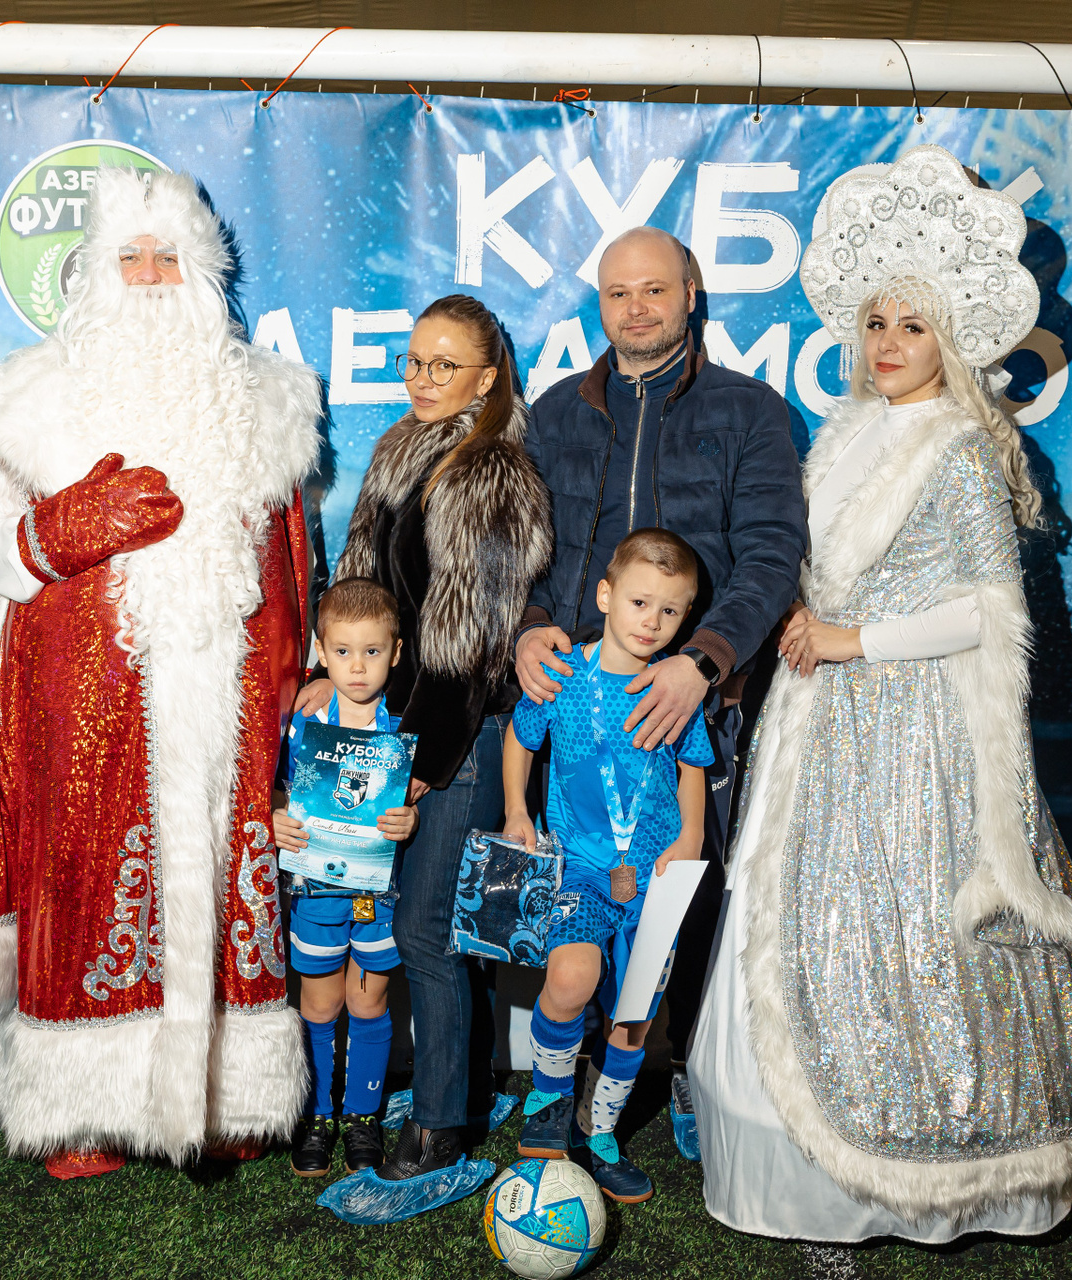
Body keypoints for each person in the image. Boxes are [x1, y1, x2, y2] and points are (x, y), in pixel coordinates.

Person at [689, 145, 1072, 1240]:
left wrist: (856, 638)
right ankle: (804, 1183)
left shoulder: (962, 451)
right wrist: (801, 622)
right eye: (878, 324)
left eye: (914, 327)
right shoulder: (845, 432)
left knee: (913, 946)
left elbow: (991, 611)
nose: (888, 344)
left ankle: (940, 1170)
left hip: (916, 733)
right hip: (817, 720)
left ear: (952, 342)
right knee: (793, 930)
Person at [0, 168, 321, 1178]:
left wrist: (296, 689)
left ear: (202, 273)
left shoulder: (270, 403)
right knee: (85, 887)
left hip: (228, 702)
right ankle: (82, 1108)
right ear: (93, 271)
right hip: (80, 704)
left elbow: (293, 565)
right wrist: (57, 532)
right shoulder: (30, 400)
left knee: (226, 886)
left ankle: (225, 1096)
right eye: (128, 256)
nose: (147, 275)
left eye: (166, 257)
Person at [515, 226, 806, 1154]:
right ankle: (560, 1087)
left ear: (691, 296)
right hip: (582, 706)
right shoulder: (555, 413)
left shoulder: (750, 410)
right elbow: (523, 550)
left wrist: (702, 660)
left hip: (697, 701)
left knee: (686, 900)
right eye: (617, 294)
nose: (636, 309)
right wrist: (531, 624)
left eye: (654, 290)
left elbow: (772, 554)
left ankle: (679, 1066)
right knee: (580, 905)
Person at [296, 294, 552, 1182]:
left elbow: (471, 648)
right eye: (414, 361)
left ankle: (442, 1124)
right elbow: (366, 585)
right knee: (424, 924)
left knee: (426, 928)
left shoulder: (490, 473)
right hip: (395, 727)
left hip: (457, 735)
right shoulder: (404, 448)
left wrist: (423, 765)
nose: (422, 378)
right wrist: (331, 666)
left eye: (445, 365)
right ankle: (463, 1087)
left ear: (486, 379)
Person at [503, 529, 713, 1205]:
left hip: (656, 879)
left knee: (634, 1018)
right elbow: (520, 738)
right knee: (571, 979)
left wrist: (691, 837)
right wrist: (517, 811)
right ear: (605, 595)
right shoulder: (564, 676)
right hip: (581, 870)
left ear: (686, 617)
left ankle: (600, 1133)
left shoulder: (673, 687)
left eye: (670, 610)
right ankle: (548, 1106)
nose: (651, 621)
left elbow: (692, 764)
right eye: (639, 602)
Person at [272, 578, 420, 1177]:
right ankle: (316, 1115)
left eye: (372, 651)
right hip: (316, 891)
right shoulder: (301, 725)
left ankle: (361, 1116)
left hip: (378, 897)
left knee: (368, 1002)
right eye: (342, 651)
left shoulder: (402, 732)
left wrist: (410, 819)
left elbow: (416, 810)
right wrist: (276, 817)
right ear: (320, 650)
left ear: (396, 652)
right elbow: (272, 789)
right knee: (321, 1002)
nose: (357, 667)